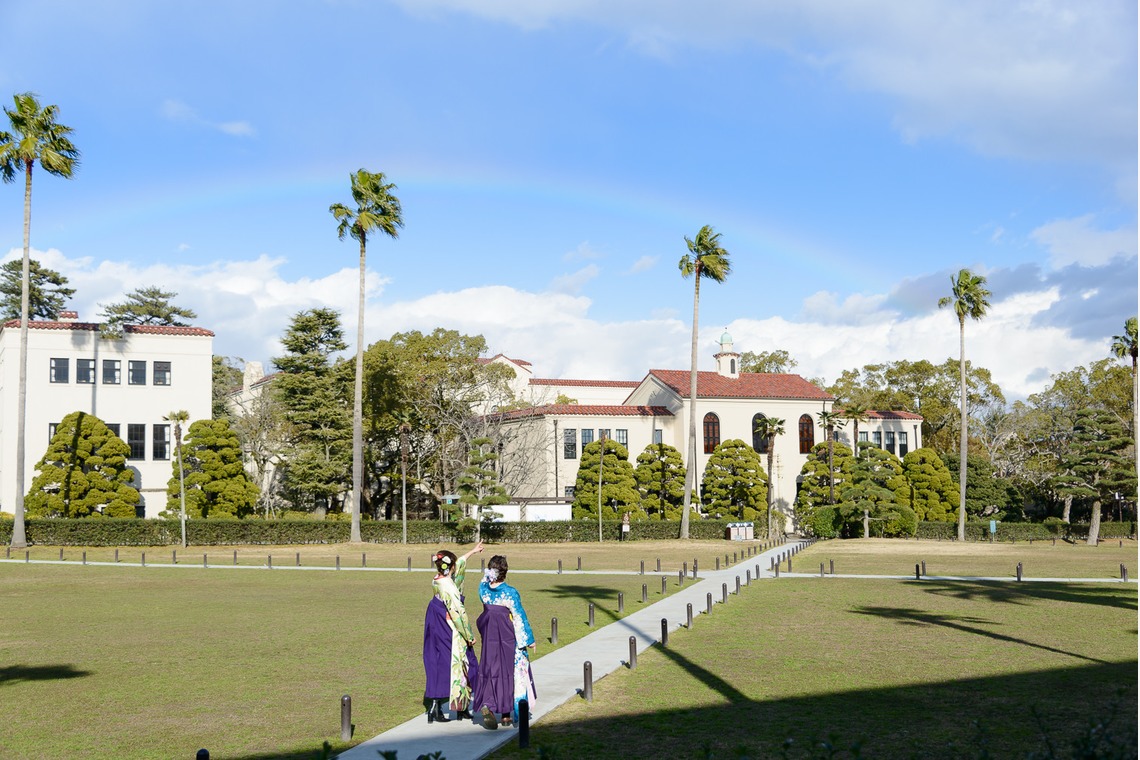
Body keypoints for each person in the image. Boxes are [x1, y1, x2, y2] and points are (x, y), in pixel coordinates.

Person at [423, 541, 483, 723]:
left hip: (435, 619)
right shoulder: (449, 587)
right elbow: (458, 613)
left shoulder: (438, 579)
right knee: (464, 660)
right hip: (449, 623)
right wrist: (469, 636)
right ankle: (459, 705)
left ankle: (438, 706)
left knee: (436, 660)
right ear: (451, 567)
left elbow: (458, 566)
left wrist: (472, 552)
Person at [473, 554, 536, 729]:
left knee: (491, 669)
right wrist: (529, 640)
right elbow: (519, 617)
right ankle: (507, 716)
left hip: (490, 637)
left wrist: (487, 576)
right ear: (505, 572)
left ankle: (489, 705)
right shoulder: (510, 592)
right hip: (507, 637)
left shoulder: (483, 590)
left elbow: (483, 581)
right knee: (510, 673)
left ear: (490, 571)